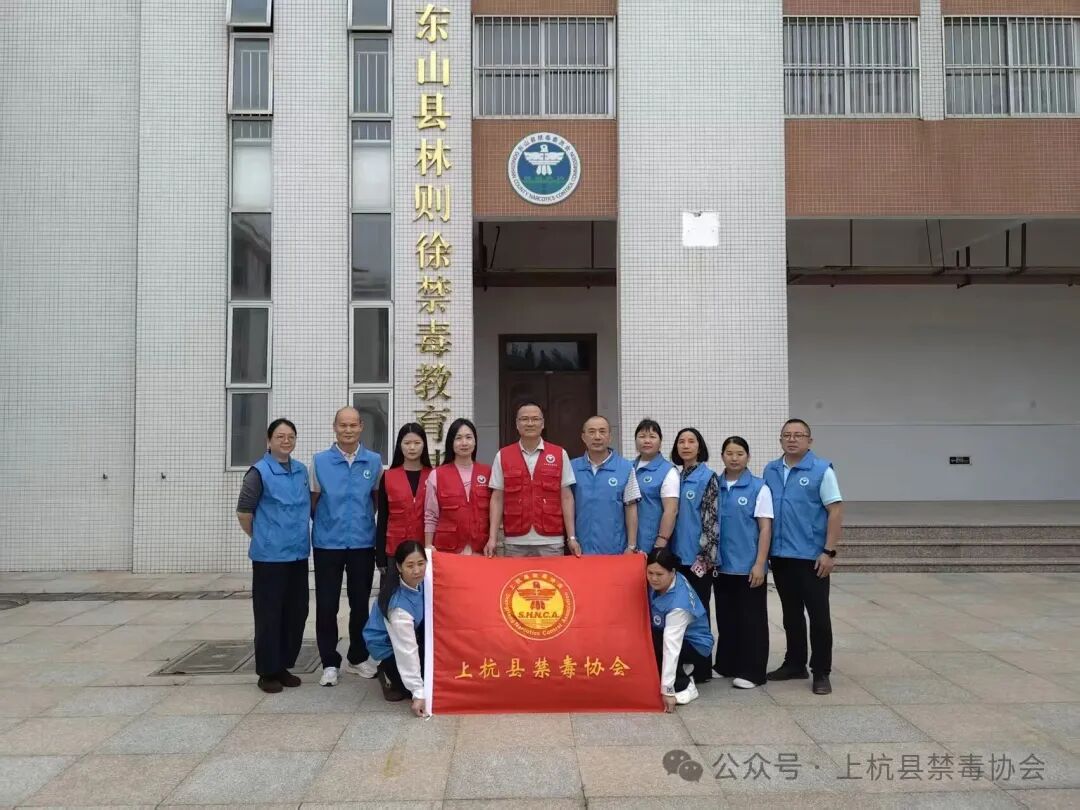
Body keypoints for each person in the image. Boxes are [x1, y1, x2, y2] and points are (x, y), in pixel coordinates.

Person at [764, 419, 843, 696]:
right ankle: (794, 663)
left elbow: (835, 510)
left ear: (810, 440)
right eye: (787, 435)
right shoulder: (771, 470)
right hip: (781, 555)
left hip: (812, 557)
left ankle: (821, 670)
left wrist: (829, 551)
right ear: (780, 440)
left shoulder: (821, 470)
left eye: (798, 435)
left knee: (819, 616)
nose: (792, 439)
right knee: (791, 614)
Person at [235, 418, 310, 694]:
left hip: (298, 554)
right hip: (269, 558)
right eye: (280, 436)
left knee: (296, 612)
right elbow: (244, 512)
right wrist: (261, 536)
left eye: (291, 436)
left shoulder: (300, 470)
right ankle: (267, 671)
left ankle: (283, 665)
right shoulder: (259, 472)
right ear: (269, 441)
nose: (286, 441)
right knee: (269, 614)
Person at [309, 407, 382, 687]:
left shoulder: (373, 461)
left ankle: (357, 657)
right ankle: (329, 662)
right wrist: (330, 523)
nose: (348, 430)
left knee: (360, 603)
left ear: (361, 426)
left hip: (362, 542)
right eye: (343, 425)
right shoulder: (320, 461)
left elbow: (375, 500)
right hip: (328, 543)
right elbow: (313, 502)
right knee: (327, 604)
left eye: (353, 425)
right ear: (335, 427)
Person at [713, 436, 773, 689]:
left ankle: (753, 671)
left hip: (748, 566)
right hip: (720, 565)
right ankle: (726, 664)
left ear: (748, 456)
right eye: (729, 453)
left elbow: (765, 528)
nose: (734, 458)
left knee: (752, 620)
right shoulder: (714, 485)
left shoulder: (759, 487)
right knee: (726, 618)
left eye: (739, 453)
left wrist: (760, 563)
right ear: (722, 456)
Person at [485, 402, 577, 558]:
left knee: (550, 576)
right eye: (524, 419)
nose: (530, 423)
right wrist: (492, 537)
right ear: (517, 424)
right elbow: (497, 498)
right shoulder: (503, 455)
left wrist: (571, 537)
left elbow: (566, 497)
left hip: (551, 541)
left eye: (535, 419)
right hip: (515, 541)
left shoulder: (559, 454)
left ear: (543, 424)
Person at [669, 428, 719, 684]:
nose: (686, 446)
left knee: (699, 612)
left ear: (700, 447)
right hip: (675, 558)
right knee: (679, 611)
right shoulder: (673, 476)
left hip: (697, 559)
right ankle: (683, 662)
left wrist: (706, 557)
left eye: (691, 441)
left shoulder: (707, 477)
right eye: (681, 441)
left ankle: (702, 668)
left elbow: (712, 519)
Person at [362, 541, 428, 717]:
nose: (417, 571)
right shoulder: (398, 608)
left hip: (412, 633)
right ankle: (386, 672)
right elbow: (406, 650)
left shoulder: (422, 581)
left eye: (421, 563)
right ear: (399, 567)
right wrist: (418, 693)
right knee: (423, 687)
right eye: (410, 565)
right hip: (388, 647)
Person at [646, 547, 714, 711]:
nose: (654, 578)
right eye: (650, 573)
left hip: (696, 645)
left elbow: (671, 646)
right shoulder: (671, 580)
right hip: (674, 634)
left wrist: (668, 691)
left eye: (659, 574)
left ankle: (684, 685)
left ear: (672, 572)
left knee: (658, 642)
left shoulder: (679, 604)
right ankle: (683, 668)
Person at [570, 415, 640, 554]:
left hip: (615, 549)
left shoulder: (625, 467)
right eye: (591, 432)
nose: (597, 437)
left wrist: (631, 546)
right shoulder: (572, 467)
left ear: (610, 437)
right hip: (580, 549)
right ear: (583, 437)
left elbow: (631, 507)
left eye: (602, 432)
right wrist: (571, 538)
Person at [425, 418, 492, 554]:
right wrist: (428, 547)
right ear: (451, 442)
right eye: (458, 438)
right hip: (447, 551)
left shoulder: (488, 472)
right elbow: (431, 515)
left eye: (469, 437)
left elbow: (495, 511)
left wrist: (493, 540)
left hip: (480, 551)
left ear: (475, 441)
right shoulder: (437, 474)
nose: (464, 443)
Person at [375, 424, 432, 569]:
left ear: (424, 445)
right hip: (395, 550)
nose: (412, 447)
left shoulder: (434, 475)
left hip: (425, 550)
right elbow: (382, 518)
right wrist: (380, 556)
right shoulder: (388, 477)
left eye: (417, 443)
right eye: (407, 443)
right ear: (400, 445)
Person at [632, 419, 679, 555]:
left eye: (652, 437)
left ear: (660, 442)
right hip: (627, 545)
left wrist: (659, 544)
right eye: (642, 436)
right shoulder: (627, 468)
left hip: (652, 545)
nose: (647, 441)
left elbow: (671, 511)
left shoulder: (668, 471)